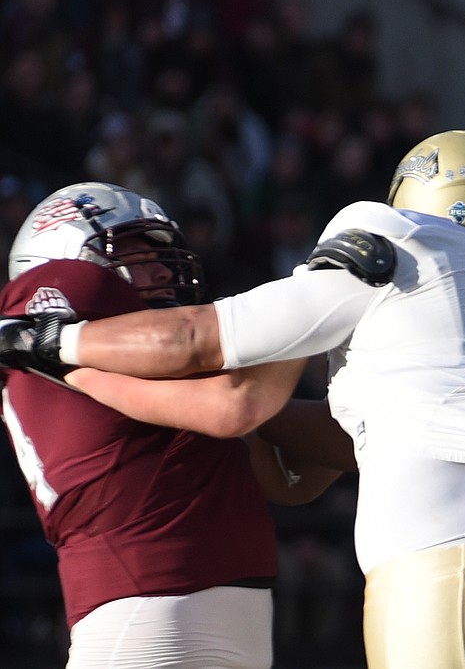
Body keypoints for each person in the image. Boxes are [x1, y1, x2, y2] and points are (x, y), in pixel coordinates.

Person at [2, 131, 465, 669]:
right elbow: (246, 411)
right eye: (141, 256)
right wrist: (62, 340)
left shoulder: (397, 240)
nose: (166, 273)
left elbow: (263, 421)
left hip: (449, 558)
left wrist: (66, 347)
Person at [0, 181, 337, 668]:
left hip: (197, 621)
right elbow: (239, 399)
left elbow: (290, 475)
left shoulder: (157, 378)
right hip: (146, 613)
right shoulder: (58, 288)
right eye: (137, 251)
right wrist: (322, 294)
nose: (163, 268)